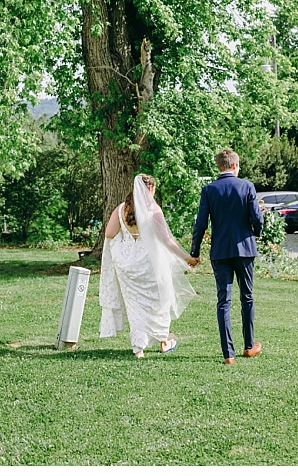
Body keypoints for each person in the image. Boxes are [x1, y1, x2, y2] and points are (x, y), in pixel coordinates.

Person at [99, 174, 197, 358]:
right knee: (159, 302)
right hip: (149, 264)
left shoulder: (122, 209)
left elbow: (110, 233)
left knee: (134, 306)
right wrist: (187, 258)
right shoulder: (153, 210)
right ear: (150, 189)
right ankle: (164, 342)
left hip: (127, 266)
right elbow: (167, 240)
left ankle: (139, 349)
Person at [191, 148, 264, 364]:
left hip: (220, 251)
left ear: (219, 166)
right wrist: (256, 234)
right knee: (247, 297)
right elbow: (256, 218)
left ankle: (228, 354)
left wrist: (194, 251)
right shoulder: (247, 186)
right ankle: (249, 346)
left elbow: (201, 224)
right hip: (245, 249)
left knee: (223, 300)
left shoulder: (209, 190)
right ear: (234, 166)